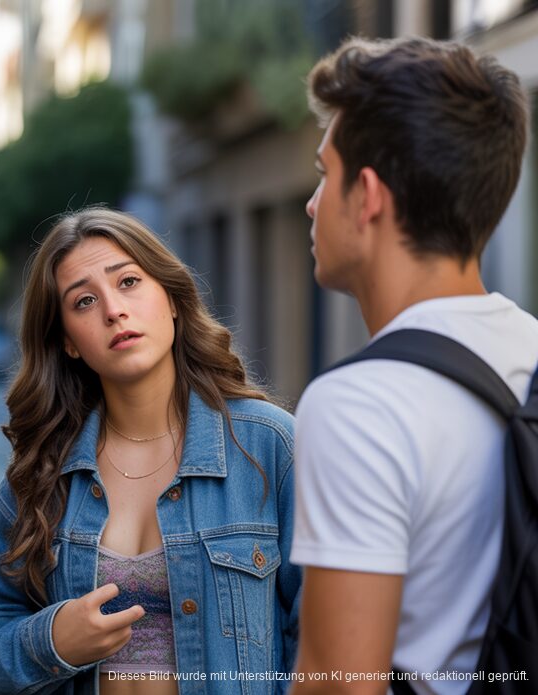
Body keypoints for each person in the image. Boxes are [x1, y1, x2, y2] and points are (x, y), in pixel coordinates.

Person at [0, 207, 300, 694]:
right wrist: (52, 641)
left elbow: (322, 637)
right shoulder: (45, 469)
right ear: (69, 343)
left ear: (173, 300)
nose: (113, 310)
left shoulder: (268, 446)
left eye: (130, 282)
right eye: (84, 301)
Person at [290, 37, 537, 695]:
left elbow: (339, 685)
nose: (312, 204)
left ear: (367, 195)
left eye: (324, 173)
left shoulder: (358, 405)